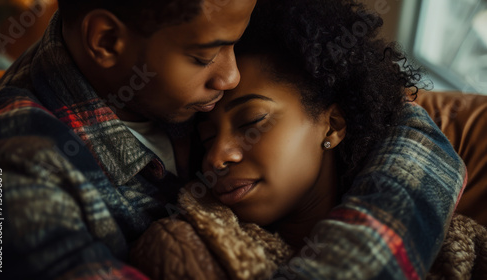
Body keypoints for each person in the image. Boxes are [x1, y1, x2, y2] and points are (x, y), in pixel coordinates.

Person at [0, 0, 465, 279]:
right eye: (205, 56)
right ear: (107, 40)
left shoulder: (194, 41)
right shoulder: (15, 175)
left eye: (234, 45)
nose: (231, 73)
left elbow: (405, 121)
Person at [130, 0, 467, 279]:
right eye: (207, 139)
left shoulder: (450, 240)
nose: (216, 158)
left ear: (333, 125)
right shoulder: (186, 246)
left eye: (251, 122)